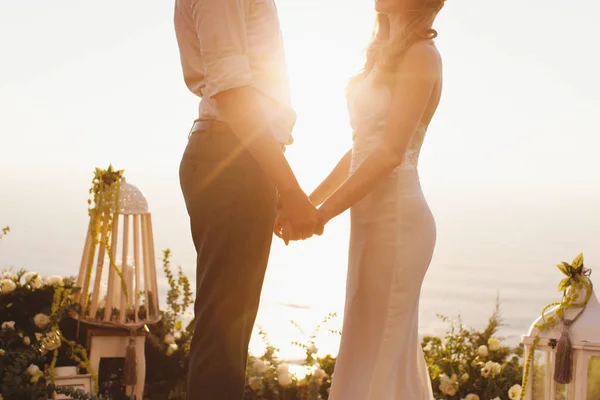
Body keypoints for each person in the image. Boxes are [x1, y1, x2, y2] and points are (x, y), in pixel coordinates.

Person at [276, 0, 445, 398]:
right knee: (365, 344)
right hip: (369, 221)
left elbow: (389, 154)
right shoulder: (386, 55)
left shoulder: (422, 54)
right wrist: (300, 201)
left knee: (382, 347)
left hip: (398, 222)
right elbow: (358, 151)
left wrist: (319, 217)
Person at [173, 0, 320, 398]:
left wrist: (269, 179)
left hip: (238, 158)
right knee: (223, 334)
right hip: (231, 156)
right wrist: (290, 190)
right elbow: (234, 94)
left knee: (227, 332)